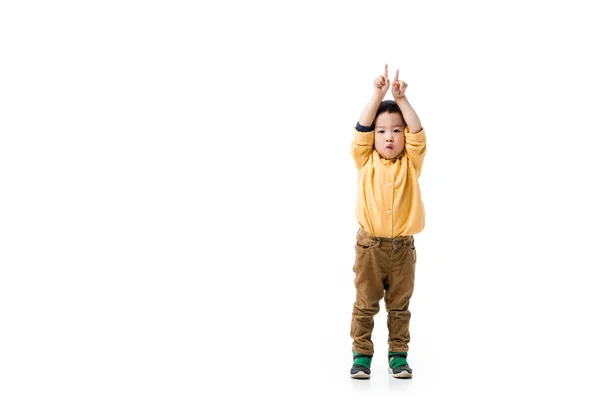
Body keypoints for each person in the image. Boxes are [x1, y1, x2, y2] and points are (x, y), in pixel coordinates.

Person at [349, 64, 427, 379]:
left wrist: (401, 99)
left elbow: (418, 133)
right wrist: (378, 94)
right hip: (369, 247)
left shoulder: (411, 162)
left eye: (396, 130)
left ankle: (398, 356)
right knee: (366, 303)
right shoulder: (364, 160)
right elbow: (361, 130)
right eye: (382, 131)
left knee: (399, 307)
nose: (389, 136)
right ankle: (361, 357)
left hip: (403, 249)